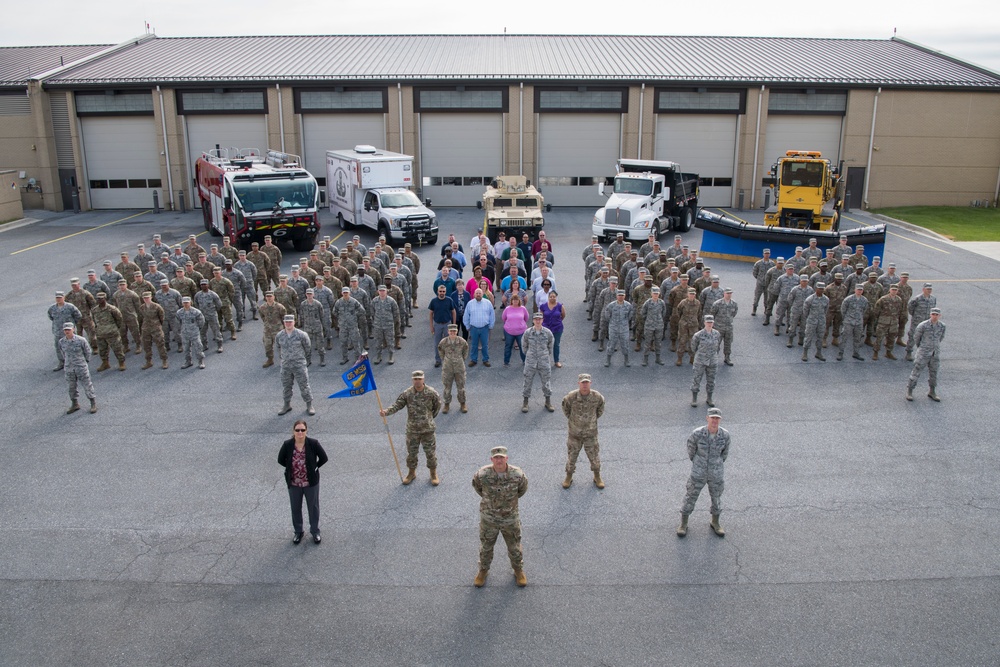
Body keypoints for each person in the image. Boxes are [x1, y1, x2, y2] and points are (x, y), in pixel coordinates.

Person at [472, 446, 529, 588]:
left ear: (506, 458)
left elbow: (522, 489)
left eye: (501, 457)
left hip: (510, 518)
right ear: (491, 459)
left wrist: (508, 505)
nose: (499, 460)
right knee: (486, 547)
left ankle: (518, 570)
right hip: (489, 519)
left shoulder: (517, 474)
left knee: (514, 546)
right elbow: (478, 487)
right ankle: (483, 571)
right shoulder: (482, 474)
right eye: (496, 458)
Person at [381, 370, 443, 486]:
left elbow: (437, 406)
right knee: (412, 453)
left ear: (423, 379)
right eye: (415, 379)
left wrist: (429, 418)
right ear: (412, 380)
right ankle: (411, 473)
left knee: (430, 453)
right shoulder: (407, 393)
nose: (417, 381)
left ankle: (433, 474)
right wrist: (386, 412)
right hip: (412, 430)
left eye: (419, 379)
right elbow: (398, 405)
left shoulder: (431, 393)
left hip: (427, 429)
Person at [677, 407, 731, 538]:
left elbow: (724, 454)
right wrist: (697, 463)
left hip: (716, 472)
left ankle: (715, 522)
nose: (714, 421)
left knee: (716, 498)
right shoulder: (697, 434)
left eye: (717, 418)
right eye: (712, 418)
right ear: (707, 418)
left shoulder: (724, 435)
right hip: (699, 472)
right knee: (690, 496)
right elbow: (691, 450)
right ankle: (683, 524)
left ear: (720, 420)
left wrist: (716, 464)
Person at [277, 420, 328, 545]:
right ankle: (298, 531)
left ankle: (315, 531)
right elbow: (280, 460)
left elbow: (324, 458)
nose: (300, 432)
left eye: (302, 430)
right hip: (294, 484)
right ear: (293, 431)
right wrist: (291, 469)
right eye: (297, 430)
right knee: (295, 508)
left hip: (310, 483)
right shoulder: (288, 444)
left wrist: (314, 467)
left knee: (313, 507)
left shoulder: (313, 443)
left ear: (306, 431)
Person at [561, 374, 606, 489]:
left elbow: (600, 409)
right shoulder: (571, 397)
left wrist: (591, 421)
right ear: (579, 383)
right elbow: (566, 409)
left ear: (590, 383)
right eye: (582, 382)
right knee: (572, 456)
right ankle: (568, 476)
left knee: (594, 456)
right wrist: (575, 421)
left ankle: (597, 476)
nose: (585, 385)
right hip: (575, 434)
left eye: (587, 382)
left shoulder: (597, 397)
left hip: (590, 434)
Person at [276, 315, 315, 416]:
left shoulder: (301, 335)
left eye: (290, 322)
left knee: (304, 386)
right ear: (284, 323)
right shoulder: (279, 335)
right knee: (286, 386)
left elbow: (308, 348)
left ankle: (309, 405)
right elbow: (278, 347)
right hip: (286, 366)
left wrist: (303, 360)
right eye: (286, 322)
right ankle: (286, 405)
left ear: (294, 322)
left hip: (299, 365)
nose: (288, 324)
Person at [906, 308, 945, 402]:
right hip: (923, 353)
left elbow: (941, 337)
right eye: (933, 314)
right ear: (930, 315)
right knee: (916, 371)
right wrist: (922, 347)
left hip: (935, 353)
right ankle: (909, 391)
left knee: (934, 373)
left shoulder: (942, 326)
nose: (935, 316)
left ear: (939, 316)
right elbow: (916, 338)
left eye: (937, 315)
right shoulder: (923, 325)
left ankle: (932, 391)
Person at [59, 322, 97, 414]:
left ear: (73, 329)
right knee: (71, 387)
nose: (67, 331)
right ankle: (75, 404)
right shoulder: (62, 341)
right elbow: (63, 353)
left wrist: (84, 362)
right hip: (69, 368)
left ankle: (93, 403)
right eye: (65, 330)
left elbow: (88, 352)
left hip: (80, 366)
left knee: (87, 384)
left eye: (69, 329)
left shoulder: (81, 340)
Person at [521, 312, 555, 413]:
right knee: (527, 381)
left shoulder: (547, 333)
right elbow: (524, 345)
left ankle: (548, 401)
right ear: (533, 320)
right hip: (531, 361)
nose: (538, 321)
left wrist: (545, 354)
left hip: (544, 361)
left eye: (540, 319)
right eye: (536, 319)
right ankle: (525, 402)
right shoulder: (528, 332)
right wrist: (529, 354)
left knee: (546, 382)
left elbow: (551, 345)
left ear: (542, 320)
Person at [690, 315, 721, 407]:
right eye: (708, 322)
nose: (709, 324)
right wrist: (701, 355)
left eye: (711, 322)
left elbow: (717, 346)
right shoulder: (698, 335)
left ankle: (709, 398)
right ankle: (694, 398)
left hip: (712, 360)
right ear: (704, 323)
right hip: (700, 360)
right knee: (696, 379)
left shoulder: (716, 334)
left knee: (711, 380)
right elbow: (693, 347)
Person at [438, 324, 469, 414]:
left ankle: (463, 403)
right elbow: (440, 350)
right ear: (448, 332)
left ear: (456, 332)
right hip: (448, 367)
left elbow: (466, 349)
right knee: (447, 387)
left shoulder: (461, 341)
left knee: (461, 387)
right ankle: (446, 404)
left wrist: (462, 359)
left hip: (459, 367)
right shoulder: (444, 342)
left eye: (454, 331)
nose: (452, 333)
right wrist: (444, 359)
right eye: (451, 331)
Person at [48, 291, 82, 371]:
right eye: (57, 298)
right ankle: (62, 362)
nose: (58, 299)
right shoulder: (52, 308)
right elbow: (50, 317)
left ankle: (75, 363)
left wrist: (72, 325)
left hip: (69, 332)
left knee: (73, 347)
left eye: (60, 297)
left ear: (64, 297)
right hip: (58, 332)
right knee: (59, 347)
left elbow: (78, 315)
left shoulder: (70, 307)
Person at [464, 287, 495, 366]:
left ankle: (485, 360)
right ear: (474, 294)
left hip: (485, 328)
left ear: (482, 294)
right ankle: (473, 359)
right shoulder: (470, 303)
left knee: (485, 345)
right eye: (477, 293)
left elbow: (492, 315)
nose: (478, 294)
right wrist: (467, 326)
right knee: (474, 345)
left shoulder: (488, 303)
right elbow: (466, 316)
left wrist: (491, 325)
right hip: (473, 328)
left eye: (480, 293)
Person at [428, 284, 457, 368]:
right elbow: (430, 313)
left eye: (443, 291)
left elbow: (453, 312)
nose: (442, 293)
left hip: (447, 324)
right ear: (437, 291)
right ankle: (438, 360)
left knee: (449, 343)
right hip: (437, 325)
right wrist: (431, 326)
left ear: (445, 292)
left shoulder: (449, 300)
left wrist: (454, 324)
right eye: (440, 291)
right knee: (438, 344)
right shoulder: (433, 301)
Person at [176, 296, 206, 369]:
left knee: (198, 347)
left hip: (194, 333)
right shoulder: (179, 312)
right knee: (186, 348)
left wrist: (197, 328)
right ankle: (188, 362)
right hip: (185, 333)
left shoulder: (196, 312)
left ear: (190, 303)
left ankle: (200, 361)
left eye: (187, 302)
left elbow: (201, 322)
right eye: (184, 303)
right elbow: (178, 321)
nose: (186, 304)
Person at [538, 289, 565, 368]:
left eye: (554, 296)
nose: (552, 298)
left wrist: (557, 321)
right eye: (551, 296)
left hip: (557, 328)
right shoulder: (543, 306)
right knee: (545, 345)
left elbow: (563, 315)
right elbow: (540, 316)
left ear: (556, 297)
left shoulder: (560, 306)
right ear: (548, 297)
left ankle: (556, 361)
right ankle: (544, 361)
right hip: (546, 329)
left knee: (556, 345)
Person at [502, 293, 529, 366]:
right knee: (508, 346)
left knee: (522, 347)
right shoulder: (507, 309)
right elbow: (504, 318)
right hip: (509, 332)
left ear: (519, 301)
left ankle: (525, 361)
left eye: (517, 300)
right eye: (514, 300)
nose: (515, 301)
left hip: (521, 332)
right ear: (511, 301)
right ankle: (506, 362)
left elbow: (526, 318)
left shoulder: (523, 308)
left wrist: (520, 324)